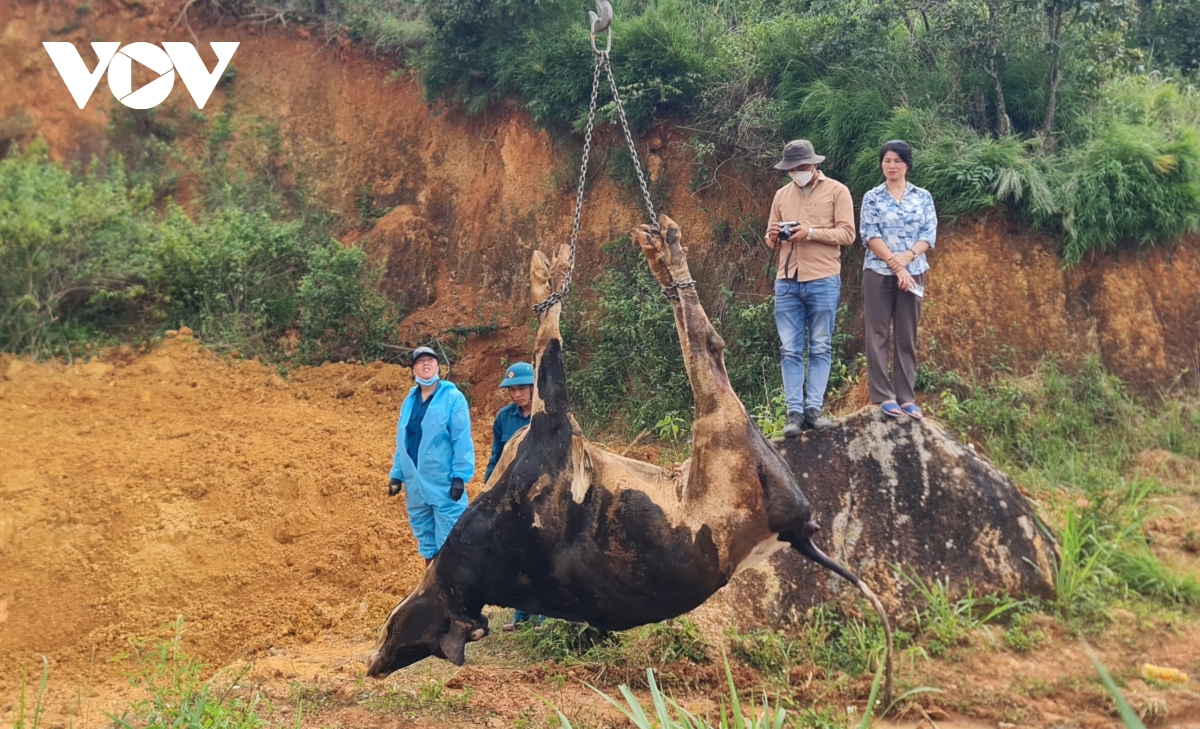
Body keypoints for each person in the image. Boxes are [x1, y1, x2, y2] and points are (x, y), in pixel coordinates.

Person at [764, 139, 856, 437]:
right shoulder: (781, 195)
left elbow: (848, 233)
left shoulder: (837, 191)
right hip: (787, 278)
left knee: (820, 346)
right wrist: (777, 235)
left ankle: (813, 410)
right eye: (792, 168)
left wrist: (811, 232)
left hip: (823, 278)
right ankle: (794, 414)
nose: (797, 172)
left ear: (814, 164)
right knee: (790, 349)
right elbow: (769, 239)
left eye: (801, 166)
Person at [859, 140, 937, 420]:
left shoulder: (923, 197)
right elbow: (869, 235)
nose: (891, 166)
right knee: (877, 333)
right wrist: (896, 264)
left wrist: (908, 258)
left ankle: (906, 397)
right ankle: (883, 395)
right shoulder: (872, 197)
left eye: (897, 161)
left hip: (914, 271)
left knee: (907, 333)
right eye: (886, 161)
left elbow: (929, 234)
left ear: (907, 164)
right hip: (878, 272)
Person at [388, 346, 475, 567]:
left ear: (438, 366)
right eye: (420, 361)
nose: (425, 364)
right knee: (424, 532)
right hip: (414, 480)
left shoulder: (452, 397)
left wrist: (459, 477)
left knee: (451, 533)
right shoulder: (409, 401)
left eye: (430, 360)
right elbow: (403, 439)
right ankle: (432, 580)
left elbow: (461, 439)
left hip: (442, 479)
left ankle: (454, 585)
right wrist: (397, 474)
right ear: (413, 369)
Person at [483, 361, 543, 631]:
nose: (517, 394)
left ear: (534, 387)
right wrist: (487, 491)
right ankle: (522, 615)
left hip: (542, 495)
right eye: (512, 390)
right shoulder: (504, 418)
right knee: (517, 554)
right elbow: (496, 458)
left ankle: (545, 614)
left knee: (544, 553)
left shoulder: (547, 415)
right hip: (512, 495)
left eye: (521, 388)